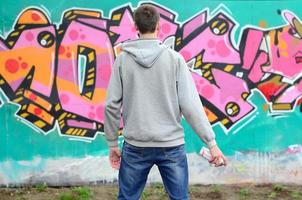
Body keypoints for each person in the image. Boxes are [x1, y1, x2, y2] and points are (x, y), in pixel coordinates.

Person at [104, 4, 228, 200]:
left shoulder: (122, 60)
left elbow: (111, 105)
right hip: (171, 145)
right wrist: (211, 143)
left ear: (136, 26)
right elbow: (191, 106)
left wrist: (112, 143)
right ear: (158, 26)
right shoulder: (175, 59)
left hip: (136, 145)